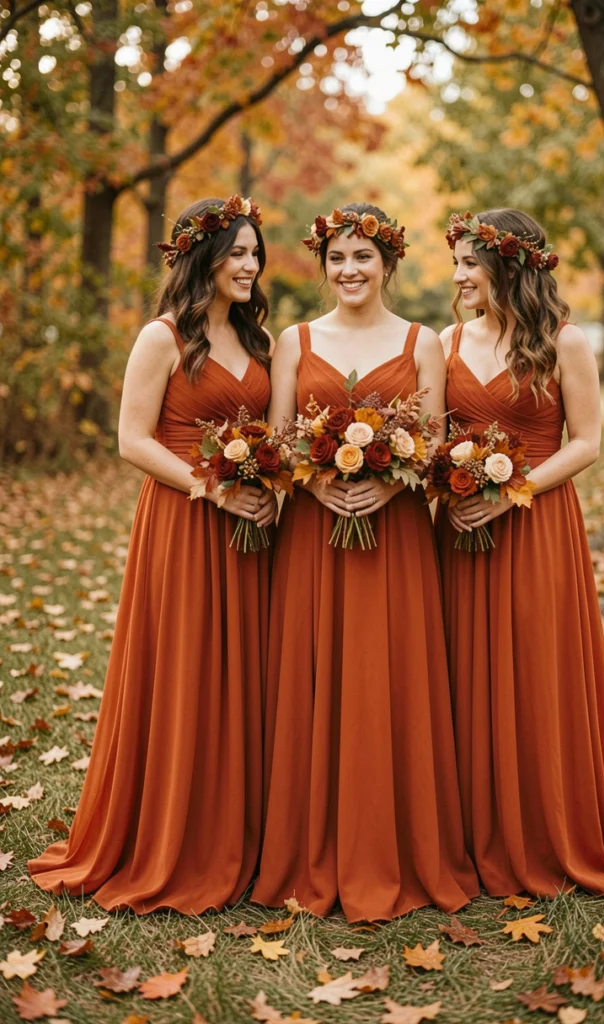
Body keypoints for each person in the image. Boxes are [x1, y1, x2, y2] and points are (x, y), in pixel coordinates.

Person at [28, 195, 276, 913]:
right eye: (236, 252)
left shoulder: (257, 341)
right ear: (202, 256)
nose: (249, 265)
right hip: (184, 521)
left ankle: (242, 832)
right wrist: (213, 489)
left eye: (254, 253)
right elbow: (132, 440)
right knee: (185, 667)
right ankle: (172, 833)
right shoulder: (162, 337)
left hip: (251, 528)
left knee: (244, 673)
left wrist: (267, 492)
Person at [436, 207, 604, 897]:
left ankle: (542, 824)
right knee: (461, 667)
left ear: (505, 267)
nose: (456, 277)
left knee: (533, 667)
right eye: (454, 263)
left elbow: (586, 443)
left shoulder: (562, 342)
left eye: (467, 265)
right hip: (459, 530)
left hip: (536, 525)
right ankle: (469, 828)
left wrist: (510, 489)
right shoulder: (446, 339)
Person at [252, 203, 479, 921]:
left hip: (398, 540)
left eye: (362, 258)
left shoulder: (420, 343)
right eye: (337, 259)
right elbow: (279, 438)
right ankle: (306, 846)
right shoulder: (293, 339)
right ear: (323, 266)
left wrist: (388, 479)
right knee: (313, 679)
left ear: (387, 265)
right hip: (313, 541)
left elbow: (437, 444)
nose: (348, 271)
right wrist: (320, 479)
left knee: (391, 681)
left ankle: (397, 846)